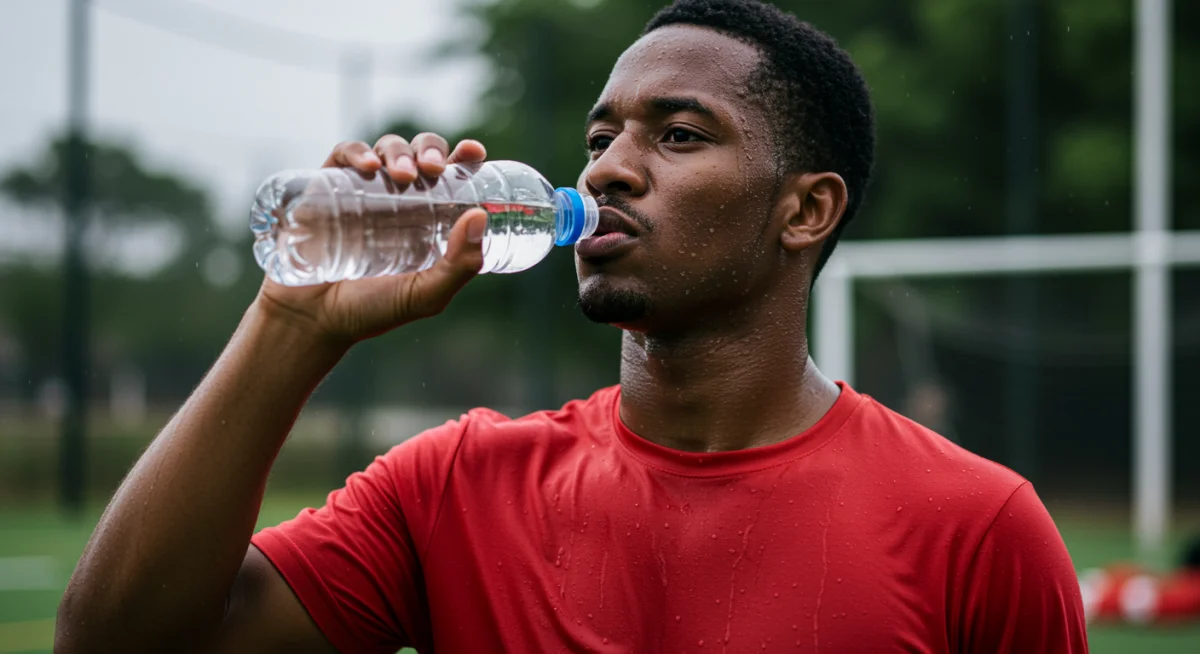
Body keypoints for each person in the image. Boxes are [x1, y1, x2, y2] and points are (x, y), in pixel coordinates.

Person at [56, 1, 1087, 652]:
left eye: (679, 135)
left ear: (805, 210)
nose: (607, 168)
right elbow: (114, 640)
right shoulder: (454, 486)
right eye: (601, 136)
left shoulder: (976, 529)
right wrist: (294, 323)